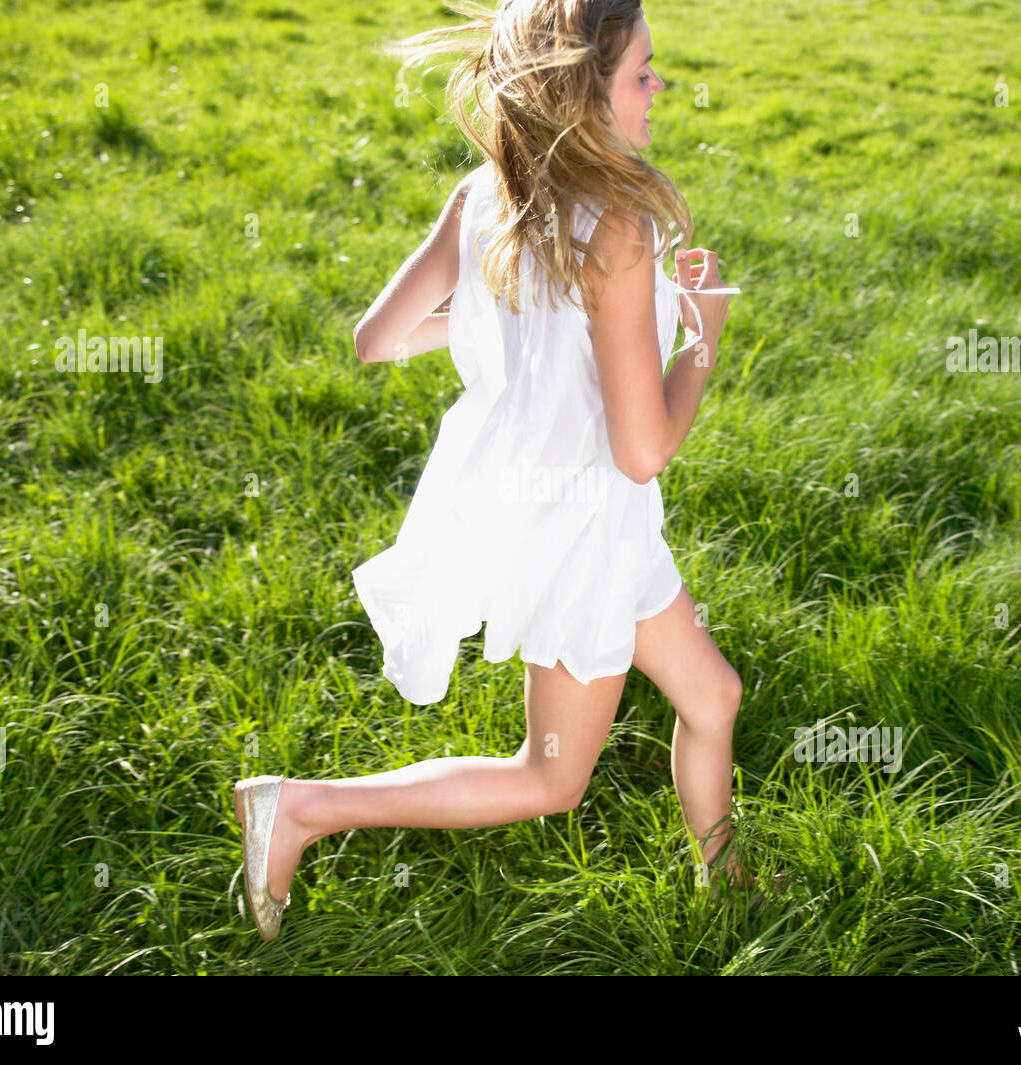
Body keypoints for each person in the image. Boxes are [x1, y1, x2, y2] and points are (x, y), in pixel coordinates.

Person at [234, 0, 767, 943]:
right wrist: (704, 339)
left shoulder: (488, 192)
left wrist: (511, 330)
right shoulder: (618, 229)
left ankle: (725, 882)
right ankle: (302, 807)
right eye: (641, 72)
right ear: (584, 94)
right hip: (583, 527)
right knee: (550, 779)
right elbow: (643, 450)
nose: (659, 86)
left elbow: (379, 337)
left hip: (576, 512)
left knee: (712, 694)